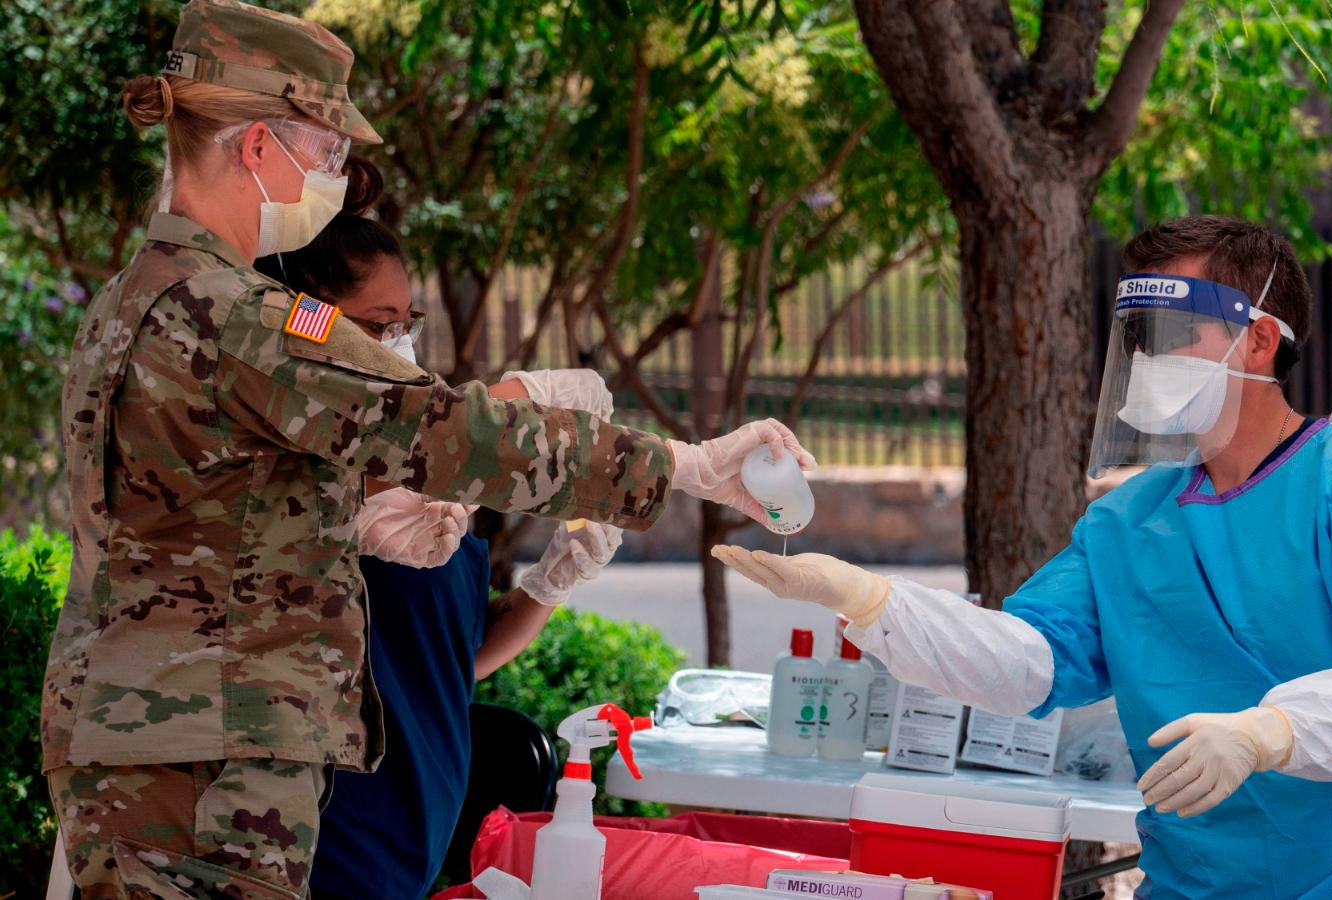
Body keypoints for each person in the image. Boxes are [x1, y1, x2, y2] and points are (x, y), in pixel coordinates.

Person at [43, 2, 812, 897]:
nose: (333, 176)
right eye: (325, 153)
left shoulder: (129, 301)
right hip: (209, 758)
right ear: (256, 148)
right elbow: (443, 432)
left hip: (147, 739)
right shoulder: (236, 318)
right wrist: (687, 465)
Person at [717, 216, 1332, 899]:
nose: (1146, 357)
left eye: (1170, 335)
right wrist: (870, 602)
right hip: (1193, 880)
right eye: (1137, 335)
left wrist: (1271, 734)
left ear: (1260, 339)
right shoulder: (1131, 521)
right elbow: (1027, 663)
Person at [244, 163, 614, 899]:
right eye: (380, 326)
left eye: (407, 323)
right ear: (309, 319)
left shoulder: (428, 482)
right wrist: (530, 401)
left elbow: (453, 657)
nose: (400, 343)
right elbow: (416, 448)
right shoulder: (326, 467)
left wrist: (555, 578)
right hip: (331, 834)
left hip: (414, 835)